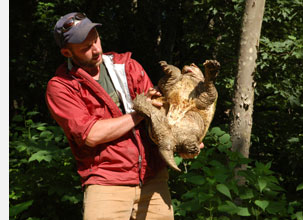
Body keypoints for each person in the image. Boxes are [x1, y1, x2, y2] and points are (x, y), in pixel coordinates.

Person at [46, 12, 203, 220]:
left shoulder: (127, 67)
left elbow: (158, 115)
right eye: (85, 48)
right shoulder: (62, 87)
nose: (96, 50)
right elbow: (91, 134)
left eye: (96, 40)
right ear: (67, 52)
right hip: (106, 183)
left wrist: (183, 140)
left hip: (153, 178)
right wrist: (139, 113)